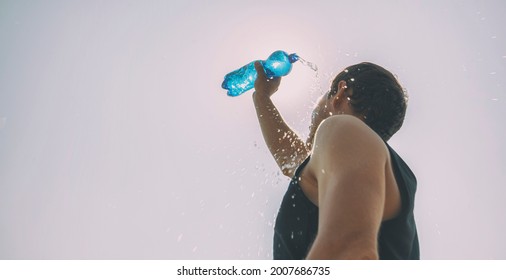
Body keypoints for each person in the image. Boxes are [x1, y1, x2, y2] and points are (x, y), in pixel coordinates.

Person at [252, 61, 419, 260]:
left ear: (340, 93)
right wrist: (261, 97)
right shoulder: (361, 155)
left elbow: (350, 248)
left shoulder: (343, 128)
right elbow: (293, 161)